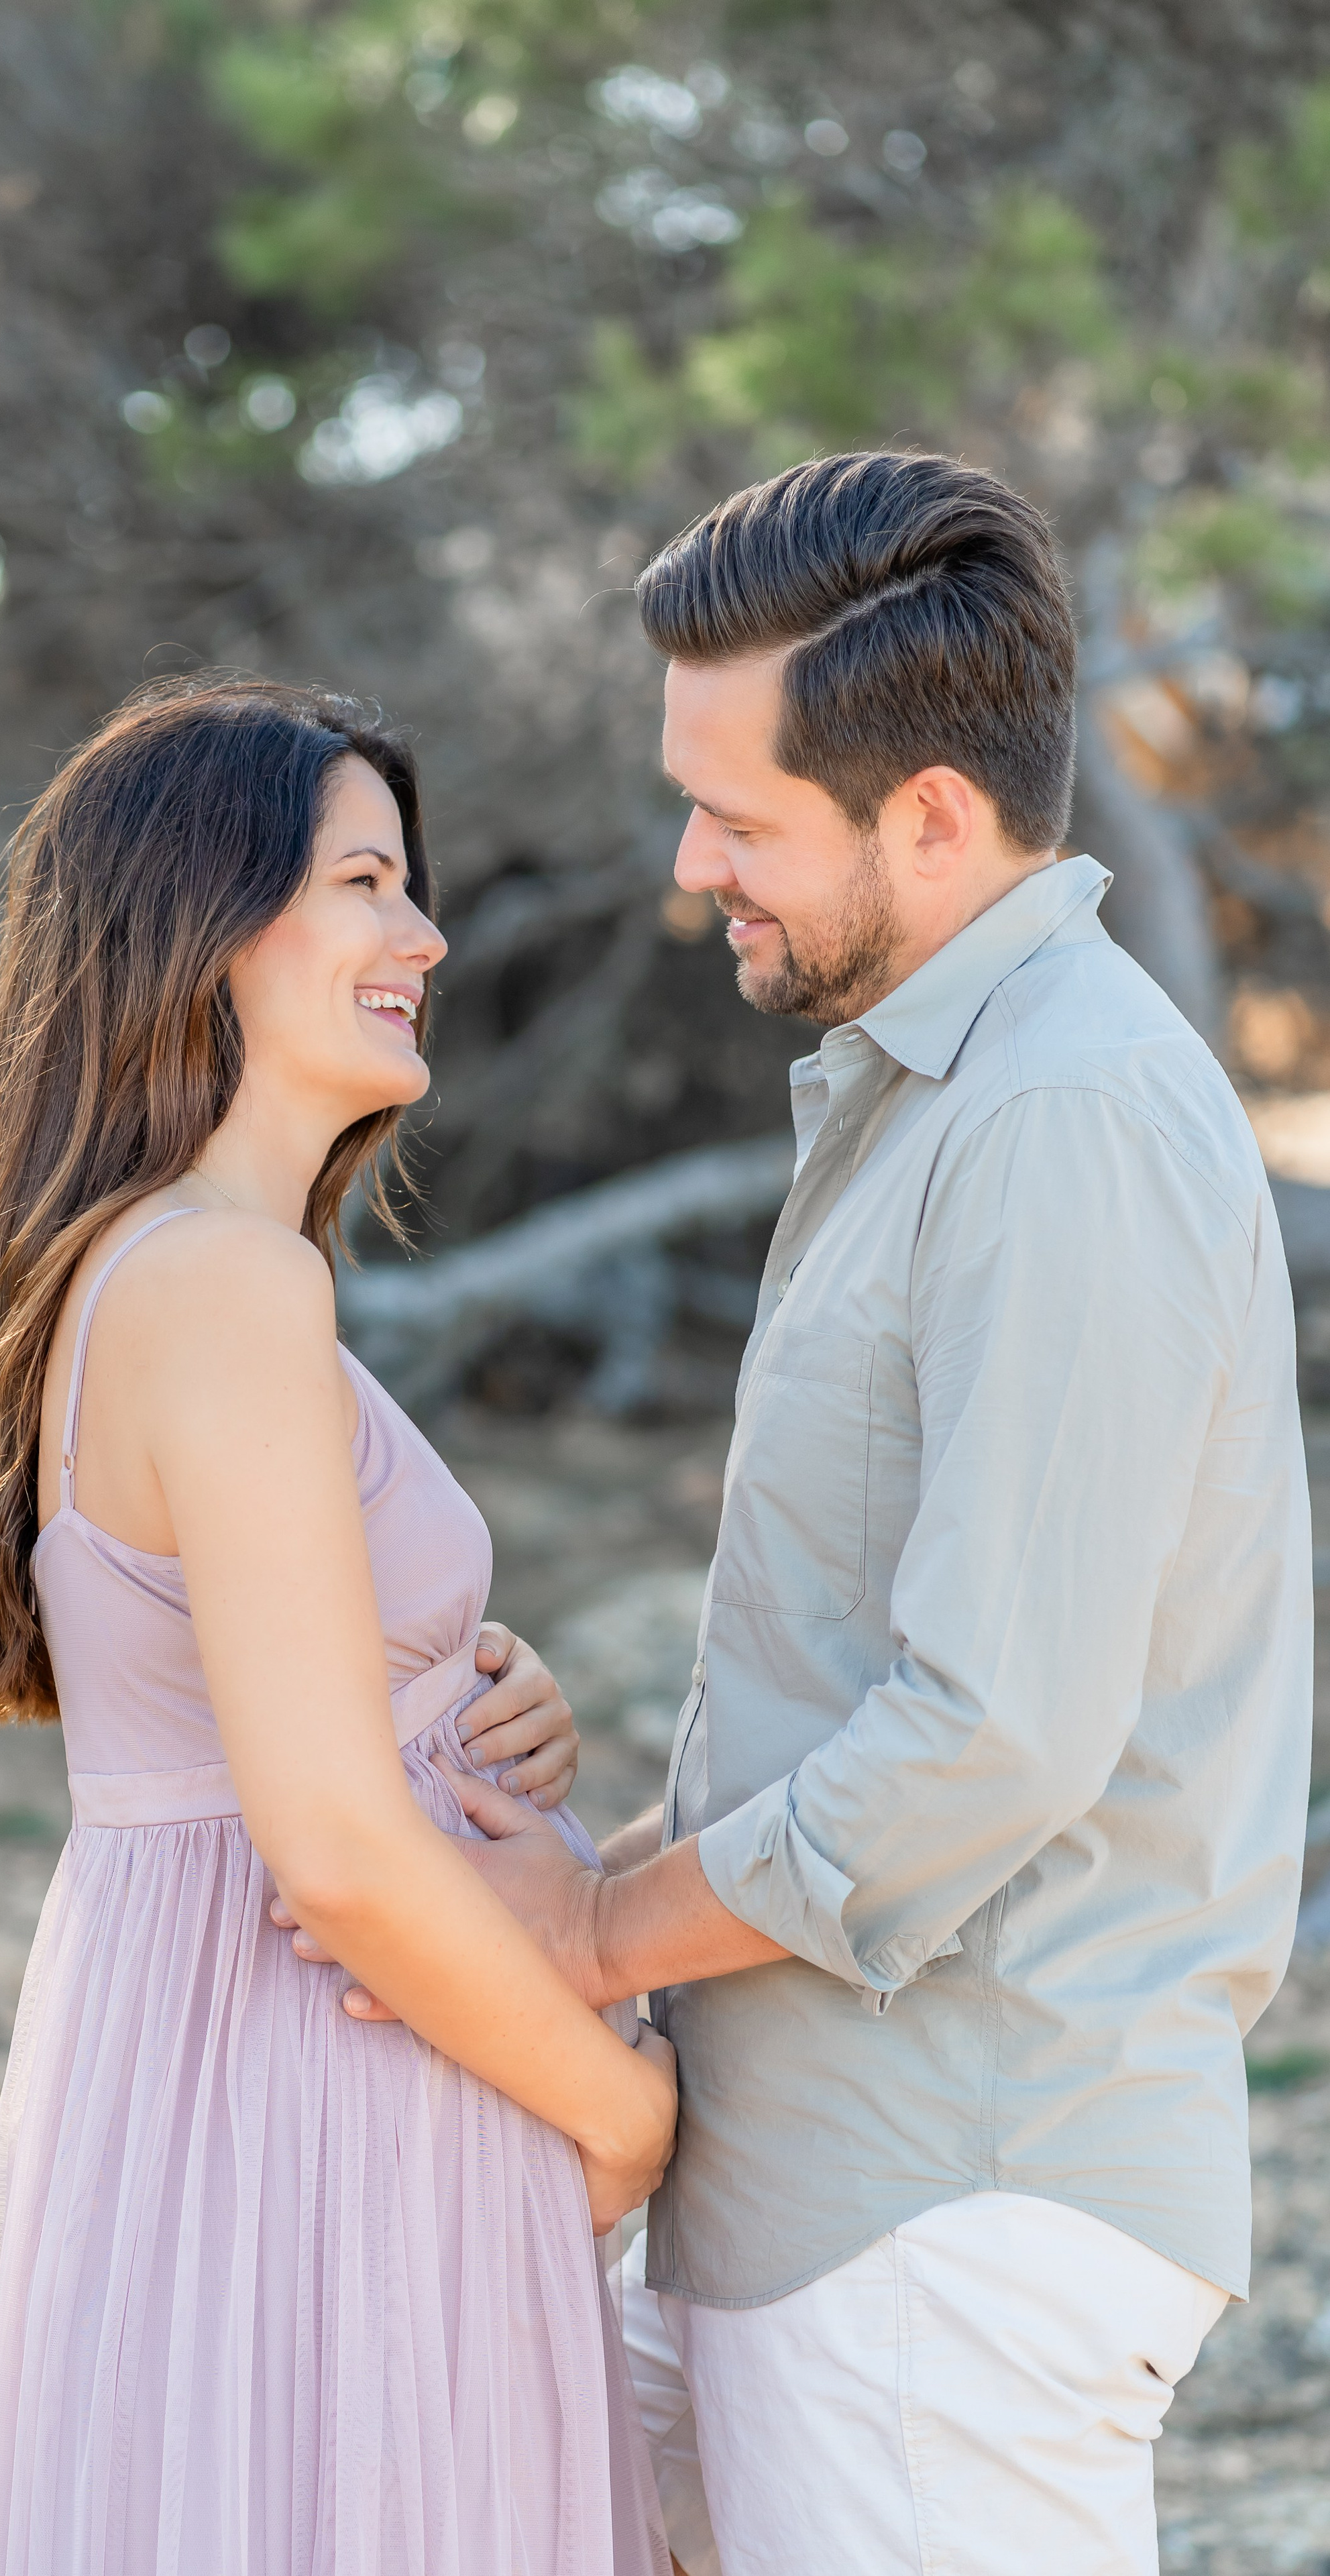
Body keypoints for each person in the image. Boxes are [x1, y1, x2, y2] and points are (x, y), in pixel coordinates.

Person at [311, 453, 1315, 2575]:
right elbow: (855, 1698)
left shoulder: (1061, 1122)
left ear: (932, 817)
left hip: (951, 2209)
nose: (692, 869)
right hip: (817, 2190)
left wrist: (587, 1931)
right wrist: (582, 1850)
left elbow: (988, 1742)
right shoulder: (937, 1092)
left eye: (743, 819)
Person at [0, 676, 675, 2575]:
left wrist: (469, 1698)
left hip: (248, 2072)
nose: (423, 936)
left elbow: (268, 1705)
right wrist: (623, 2113)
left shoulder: (169, 1270)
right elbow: (330, 1850)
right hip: (327, 2085)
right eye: (365, 885)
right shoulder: (222, 1282)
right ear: (205, 927)